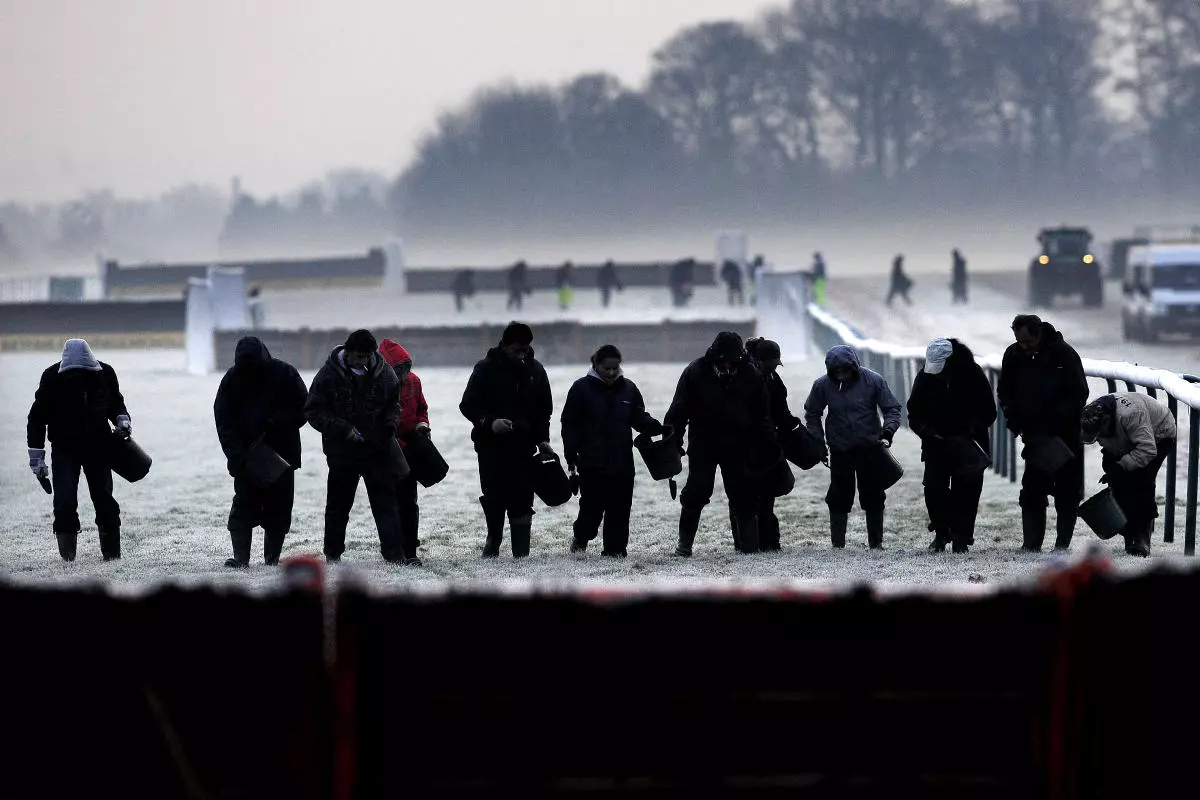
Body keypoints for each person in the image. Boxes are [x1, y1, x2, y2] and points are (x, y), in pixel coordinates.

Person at [664, 331, 776, 556]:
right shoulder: (695, 372)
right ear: (715, 356)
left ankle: (748, 548)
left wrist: (767, 445)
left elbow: (762, 415)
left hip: (739, 445)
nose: (728, 365)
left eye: (733, 360)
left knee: (743, 495)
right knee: (696, 493)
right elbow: (679, 411)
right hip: (704, 444)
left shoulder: (749, 374)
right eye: (725, 360)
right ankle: (684, 546)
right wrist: (673, 442)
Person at [304, 329, 405, 564]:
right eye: (358, 356)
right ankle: (333, 554)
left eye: (366, 356)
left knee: (385, 504)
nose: (362, 361)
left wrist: (389, 427)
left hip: (376, 449)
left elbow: (394, 406)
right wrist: (343, 429)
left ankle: (393, 553)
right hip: (342, 451)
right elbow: (313, 410)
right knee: (338, 506)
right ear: (347, 352)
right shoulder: (327, 375)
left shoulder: (385, 373)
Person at [27, 338, 132, 562]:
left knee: (104, 498)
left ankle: (112, 554)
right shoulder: (51, 377)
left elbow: (116, 404)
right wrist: (36, 458)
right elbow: (37, 418)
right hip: (64, 448)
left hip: (98, 446)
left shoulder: (106, 374)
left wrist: (123, 420)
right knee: (64, 501)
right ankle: (68, 557)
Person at [459, 322, 554, 558]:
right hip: (491, 447)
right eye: (516, 350)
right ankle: (493, 541)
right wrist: (490, 423)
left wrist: (542, 440)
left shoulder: (536, 371)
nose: (521, 355)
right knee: (494, 495)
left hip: (524, 447)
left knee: (523, 497)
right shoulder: (485, 369)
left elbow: (544, 411)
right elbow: (468, 405)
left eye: (525, 350)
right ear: (503, 345)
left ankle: (521, 550)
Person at [213, 336, 309, 568]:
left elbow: (304, 408)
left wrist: (276, 422)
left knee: (279, 508)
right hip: (247, 457)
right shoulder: (232, 379)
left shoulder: (285, 374)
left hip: (281, 456)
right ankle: (241, 559)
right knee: (243, 507)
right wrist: (236, 456)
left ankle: (271, 560)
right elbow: (224, 421)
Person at [997, 315, 1089, 552]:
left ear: (1039, 334)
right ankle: (1031, 544)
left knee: (1067, 492)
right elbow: (1005, 390)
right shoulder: (1013, 355)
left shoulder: (1065, 355)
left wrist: (1053, 419)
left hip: (1066, 436)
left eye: (1027, 341)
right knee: (1032, 489)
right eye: (1019, 342)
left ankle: (1061, 544)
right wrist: (1014, 418)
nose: (1024, 347)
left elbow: (1079, 394)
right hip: (1035, 437)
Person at [561, 345, 664, 557]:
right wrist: (571, 453)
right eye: (606, 368)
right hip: (591, 462)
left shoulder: (629, 389)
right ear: (596, 365)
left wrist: (651, 425)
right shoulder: (580, 389)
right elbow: (569, 423)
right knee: (591, 508)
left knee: (620, 509)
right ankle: (581, 537)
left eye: (614, 368)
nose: (610, 373)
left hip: (622, 462)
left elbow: (637, 416)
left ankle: (615, 550)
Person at [803, 345, 902, 549]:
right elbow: (812, 413)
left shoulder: (873, 380)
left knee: (874, 495)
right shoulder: (822, 385)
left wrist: (887, 432)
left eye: (845, 370)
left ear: (853, 366)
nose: (841, 375)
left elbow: (891, 408)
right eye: (836, 371)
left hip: (870, 448)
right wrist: (818, 443)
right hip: (840, 450)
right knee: (838, 496)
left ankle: (876, 543)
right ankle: (837, 544)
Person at [906, 338, 996, 553]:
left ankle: (961, 538)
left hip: (968, 445)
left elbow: (988, 411)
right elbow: (914, 413)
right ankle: (941, 532)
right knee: (934, 490)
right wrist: (928, 432)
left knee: (967, 492)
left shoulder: (973, 376)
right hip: (935, 444)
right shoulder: (924, 378)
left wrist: (968, 432)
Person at [1081, 393, 1177, 557]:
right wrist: (1115, 471)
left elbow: (1147, 449)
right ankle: (1129, 533)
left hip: (1158, 434)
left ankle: (1142, 540)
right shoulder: (1093, 414)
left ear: (1105, 421)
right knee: (1118, 479)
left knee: (1141, 481)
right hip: (1126, 437)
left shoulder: (1131, 414)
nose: (1098, 441)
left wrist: (1122, 466)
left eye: (1099, 437)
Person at [745, 337, 801, 551]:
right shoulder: (747, 379)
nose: (773, 368)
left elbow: (781, 410)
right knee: (750, 497)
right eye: (771, 363)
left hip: (767, 443)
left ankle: (766, 541)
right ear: (760, 360)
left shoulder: (773, 379)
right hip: (749, 445)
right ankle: (753, 541)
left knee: (766, 496)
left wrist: (791, 426)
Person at [379, 338, 431, 566]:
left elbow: (422, 408)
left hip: (410, 450)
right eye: (397, 369)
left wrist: (422, 424)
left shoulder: (414, 381)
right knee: (389, 502)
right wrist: (395, 442)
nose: (402, 374)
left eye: (405, 368)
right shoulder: (378, 385)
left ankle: (409, 549)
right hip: (387, 451)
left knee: (409, 501)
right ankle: (393, 549)